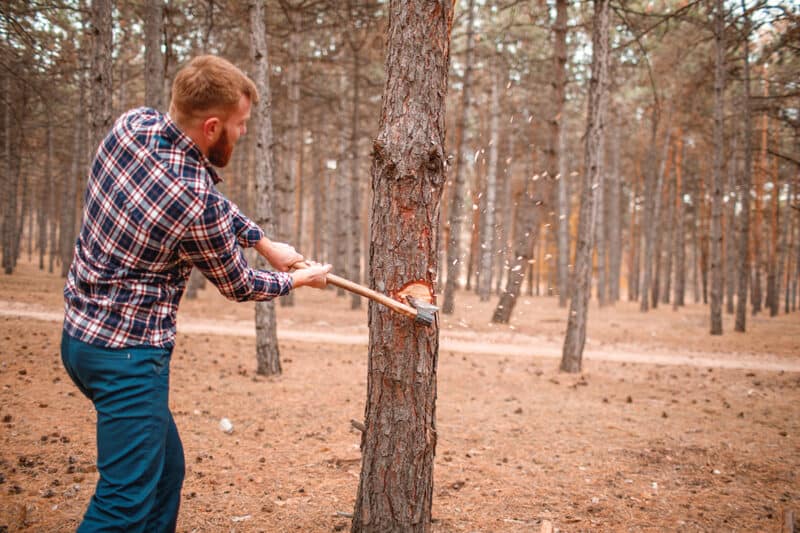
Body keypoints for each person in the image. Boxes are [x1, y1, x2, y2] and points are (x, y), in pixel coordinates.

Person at [60, 55, 331, 532]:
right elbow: (239, 284)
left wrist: (263, 242)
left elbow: (210, 202)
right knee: (122, 505)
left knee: (165, 473)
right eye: (239, 125)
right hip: (127, 359)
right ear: (211, 127)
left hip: (79, 338)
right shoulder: (194, 200)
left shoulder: (133, 127)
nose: (242, 133)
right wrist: (296, 280)